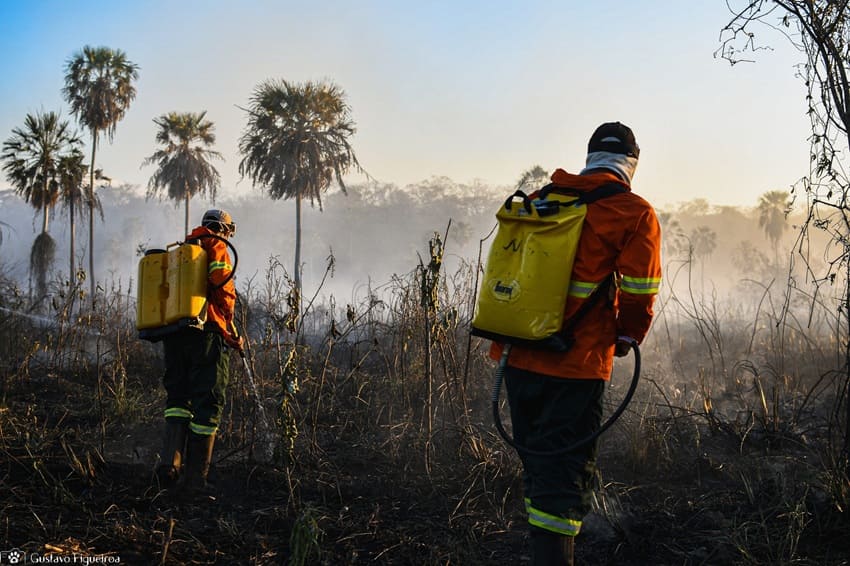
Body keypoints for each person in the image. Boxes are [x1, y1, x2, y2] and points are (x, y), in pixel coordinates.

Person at [490, 122, 662, 565]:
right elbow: (641, 290)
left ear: (589, 158)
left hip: (516, 353)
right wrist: (626, 336)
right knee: (563, 474)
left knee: (537, 462)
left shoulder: (540, 198)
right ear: (631, 165)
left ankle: (542, 550)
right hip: (575, 364)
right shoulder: (633, 211)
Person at [156, 208, 244, 495]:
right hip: (205, 335)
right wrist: (230, 330)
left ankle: (170, 465)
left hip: (175, 334)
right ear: (224, 229)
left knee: (179, 398)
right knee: (208, 401)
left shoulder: (180, 252)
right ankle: (195, 480)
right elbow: (223, 293)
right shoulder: (215, 246)